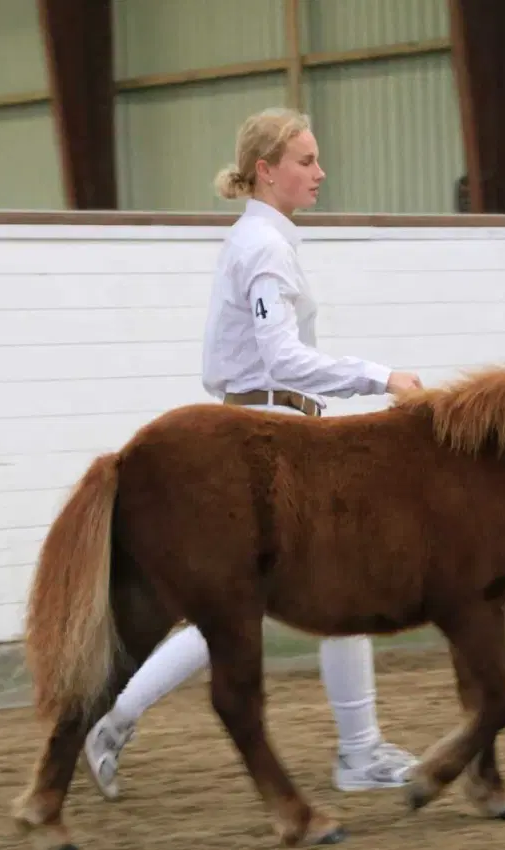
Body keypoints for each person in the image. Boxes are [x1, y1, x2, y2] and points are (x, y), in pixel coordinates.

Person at [82, 106, 424, 801]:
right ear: (267, 170)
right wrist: (378, 377)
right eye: (305, 160)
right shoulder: (265, 248)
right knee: (335, 585)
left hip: (269, 425)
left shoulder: (262, 240)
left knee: (245, 604)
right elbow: (284, 357)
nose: (319, 172)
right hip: (270, 436)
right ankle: (356, 753)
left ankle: (113, 719)